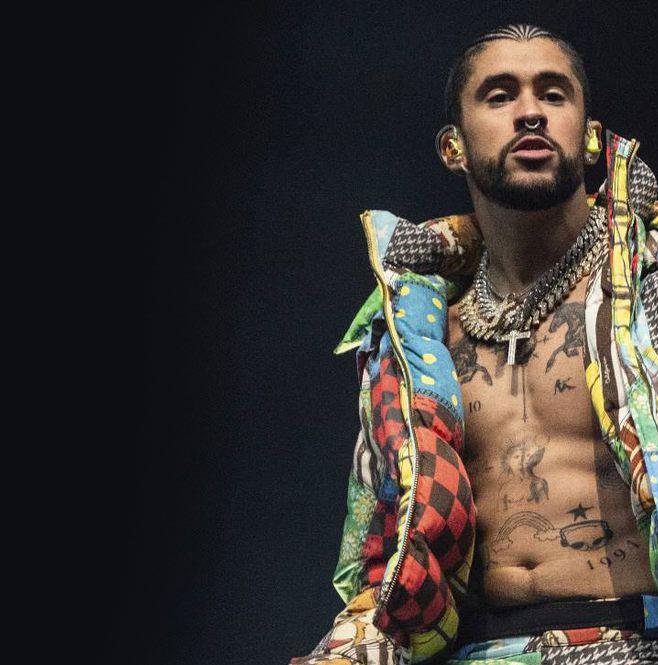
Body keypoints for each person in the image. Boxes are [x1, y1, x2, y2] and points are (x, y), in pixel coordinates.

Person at [290, 24, 658, 665]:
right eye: (499, 95)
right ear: (452, 147)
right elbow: (386, 549)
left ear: (591, 138)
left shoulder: (648, 285)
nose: (531, 112)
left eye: (553, 94)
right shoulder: (414, 337)